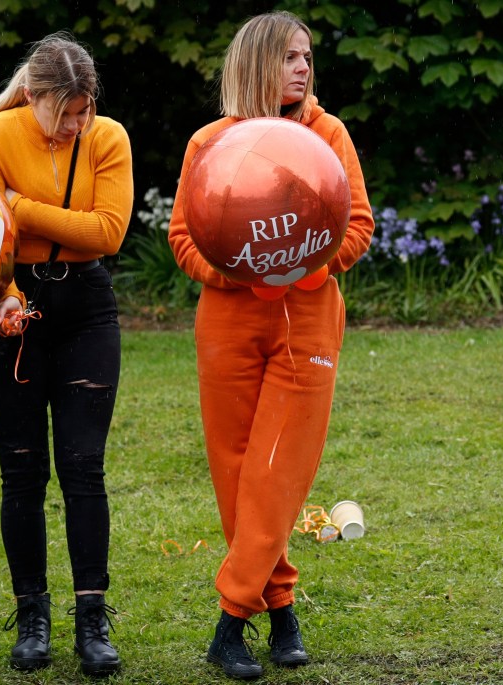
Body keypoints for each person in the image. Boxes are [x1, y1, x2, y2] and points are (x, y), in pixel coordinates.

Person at [167, 10, 375, 680]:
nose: (303, 68)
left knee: (276, 471)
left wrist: (306, 266)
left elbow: (358, 225)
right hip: (228, 323)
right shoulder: (211, 142)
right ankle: (282, 608)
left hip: (307, 322)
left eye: (308, 57)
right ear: (258, 62)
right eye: (290, 57)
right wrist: (233, 271)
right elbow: (182, 237)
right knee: (235, 475)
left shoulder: (328, 134)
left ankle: (231, 622)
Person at [0, 32, 133, 676]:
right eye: (67, 112)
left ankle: (94, 621)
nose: (78, 123)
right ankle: (32, 617)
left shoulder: (108, 138)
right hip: (5, 304)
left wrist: (16, 208)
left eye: (86, 110)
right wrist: (0, 292)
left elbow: (106, 232)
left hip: (87, 305)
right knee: (23, 472)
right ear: (32, 96)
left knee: (84, 466)